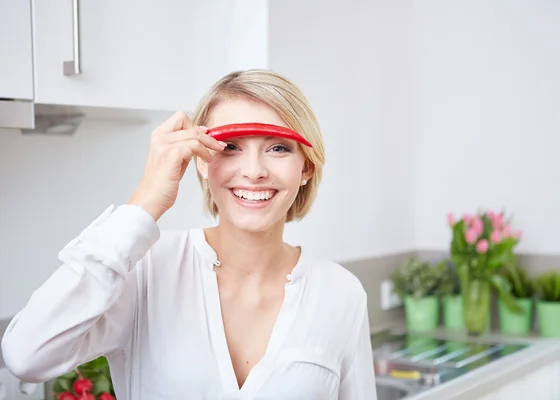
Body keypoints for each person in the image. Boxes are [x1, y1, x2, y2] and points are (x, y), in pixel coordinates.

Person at [1, 69, 377, 399]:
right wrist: (146, 200)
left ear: (306, 168)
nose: (254, 170)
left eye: (278, 148)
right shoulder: (145, 271)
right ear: (200, 159)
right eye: (229, 147)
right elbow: (26, 355)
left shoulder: (341, 293)